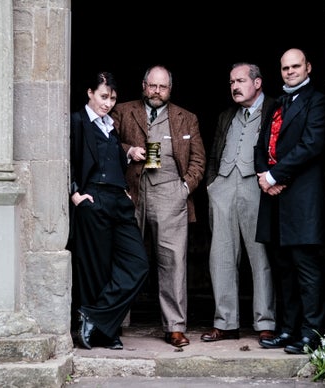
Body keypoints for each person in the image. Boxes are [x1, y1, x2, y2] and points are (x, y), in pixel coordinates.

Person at [111, 65, 206, 347]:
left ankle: (175, 326)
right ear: (143, 85)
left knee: (173, 261)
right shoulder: (122, 111)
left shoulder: (186, 118)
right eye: (152, 86)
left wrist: (184, 188)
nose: (157, 91)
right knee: (125, 258)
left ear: (170, 89)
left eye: (162, 87)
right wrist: (128, 150)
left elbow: (199, 161)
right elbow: (106, 143)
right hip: (132, 192)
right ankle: (117, 321)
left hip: (170, 194)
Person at [255, 48, 325, 354]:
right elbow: (262, 144)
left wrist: (274, 176)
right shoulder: (279, 103)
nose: (290, 71)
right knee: (283, 271)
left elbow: (311, 144)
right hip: (275, 203)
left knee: (307, 272)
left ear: (308, 67)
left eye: (295, 66)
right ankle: (287, 330)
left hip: (301, 201)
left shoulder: (318, 100)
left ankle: (311, 333)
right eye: (285, 67)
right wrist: (262, 174)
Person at [68, 71, 149, 350]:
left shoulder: (110, 126)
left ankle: (95, 316)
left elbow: (112, 159)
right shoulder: (77, 121)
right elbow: (63, 157)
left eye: (112, 98)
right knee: (97, 269)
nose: (108, 103)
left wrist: (124, 187)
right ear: (90, 92)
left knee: (138, 264)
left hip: (119, 200)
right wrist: (75, 192)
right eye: (103, 96)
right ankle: (104, 331)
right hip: (93, 198)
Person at [201, 63, 276, 343]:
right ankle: (226, 322)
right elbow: (213, 154)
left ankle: (265, 322)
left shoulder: (273, 108)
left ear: (257, 83)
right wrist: (212, 185)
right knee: (220, 257)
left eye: (241, 80)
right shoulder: (225, 115)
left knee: (261, 257)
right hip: (223, 188)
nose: (234, 86)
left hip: (256, 188)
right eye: (232, 81)